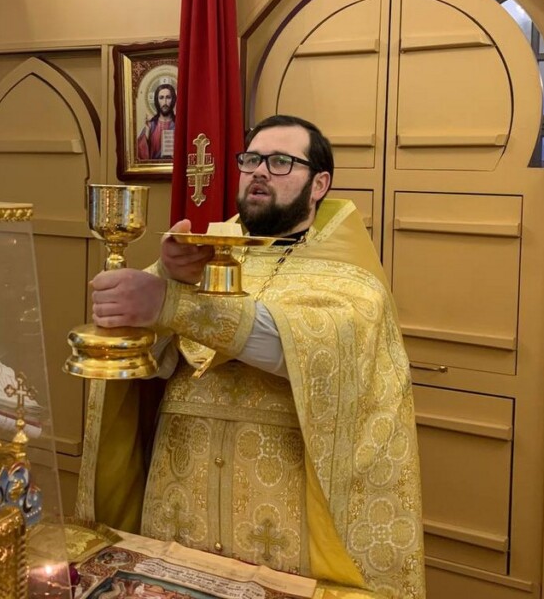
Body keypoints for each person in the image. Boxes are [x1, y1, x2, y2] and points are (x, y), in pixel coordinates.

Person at [76, 115, 425, 598]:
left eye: (281, 162)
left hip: (286, 511)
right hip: (183, 489)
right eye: (252, 159)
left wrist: (171, 303)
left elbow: (297, 353)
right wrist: (168, 279)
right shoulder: (202, 254)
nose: (260, 171)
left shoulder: (352, 278)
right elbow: (154, 362)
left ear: (319, 184)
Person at [136, 80, 177, 160]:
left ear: (173, 100)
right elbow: (140, 154)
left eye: (168, 97)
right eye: (161, 98)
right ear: (157, 101)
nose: (165, 102)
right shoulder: (151, 125)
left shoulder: (178, 124)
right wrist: (146, 135)